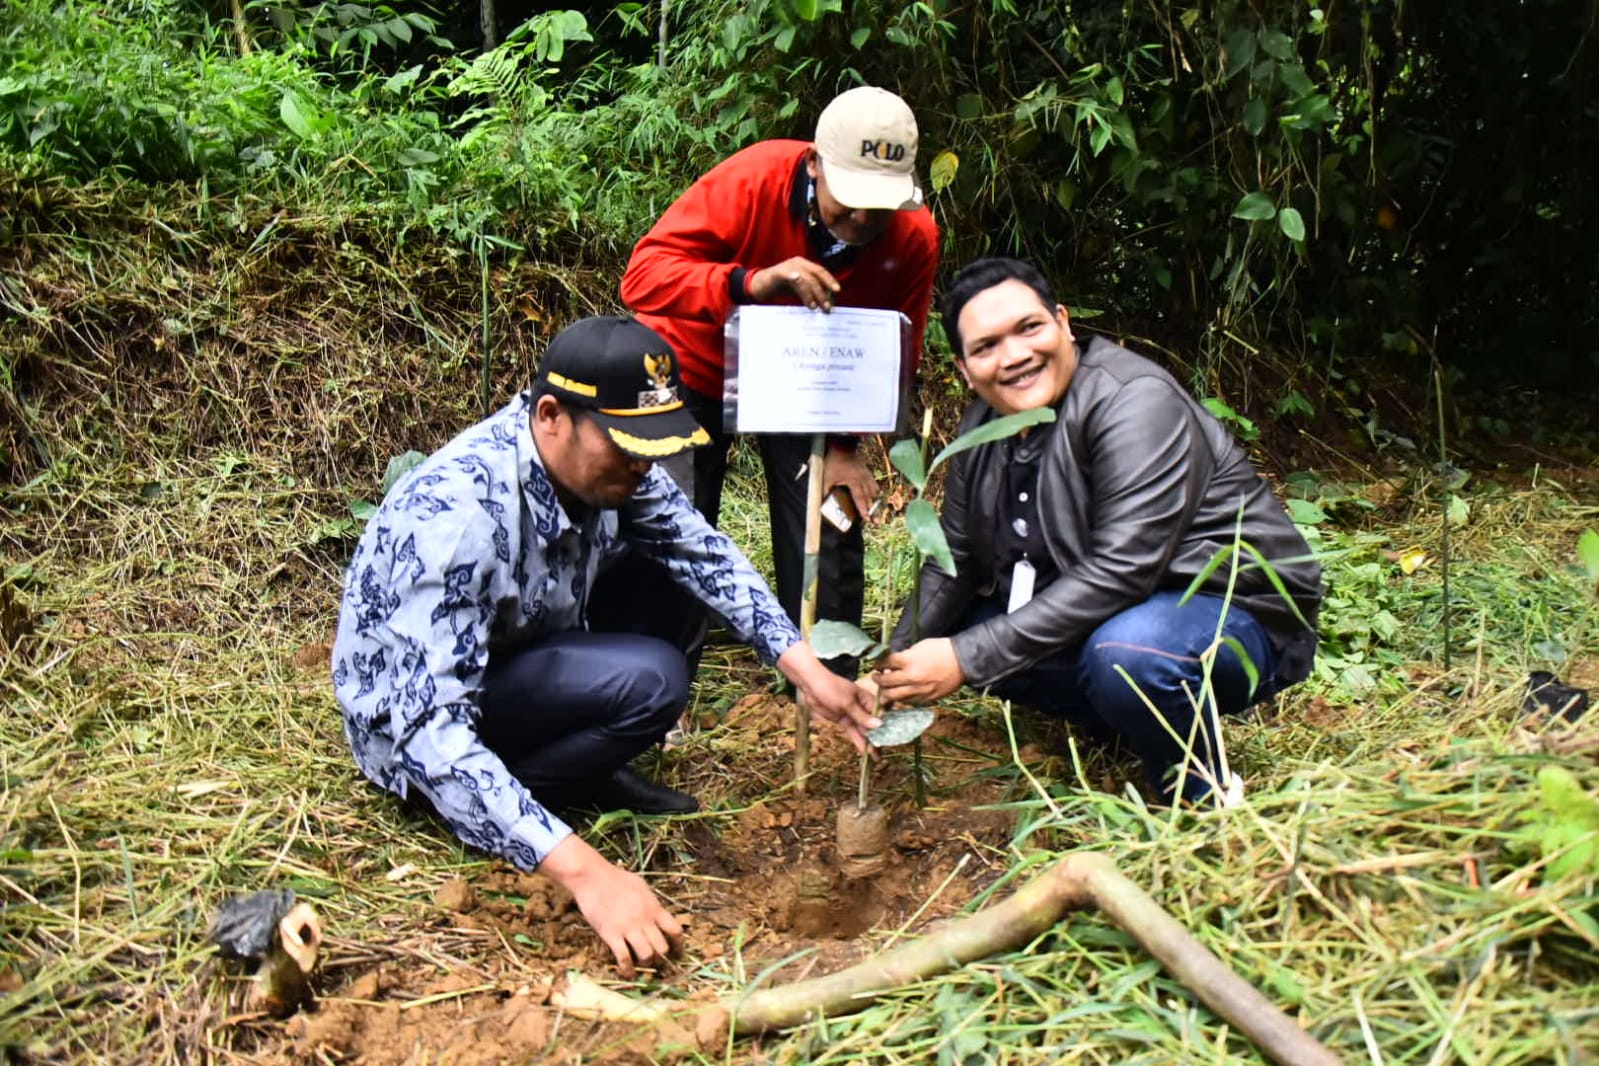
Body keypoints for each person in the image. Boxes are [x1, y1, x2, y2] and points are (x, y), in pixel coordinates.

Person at [332, 315, 880, 977]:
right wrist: (587, 874)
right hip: (416, 734)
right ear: (551, 416)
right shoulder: (456, 522)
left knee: (676, 569)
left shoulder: (611, 469)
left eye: (652, 445)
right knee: (650, 681)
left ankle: (571, 772)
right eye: (626, 445)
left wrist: (806, 669)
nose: (643, 463)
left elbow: (704, 554)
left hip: (525, 653)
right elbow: (428, 731)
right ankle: (505, 801)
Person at [873, 259, 1322, 802]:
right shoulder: (982, 427)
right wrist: (892, 668)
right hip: (1115, 614)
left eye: (1029, 328)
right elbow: (956, 562)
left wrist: (966, 657)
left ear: (1063, 323)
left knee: (1126, 657)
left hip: (1226, 610)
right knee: (965, 628)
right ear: (965, 370)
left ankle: (1201, 795)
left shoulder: (1133, 400)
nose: (1014, 356)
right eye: (987, 347)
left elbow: (1122, 569)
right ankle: (1129, 718)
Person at [620, 85, 940, 671]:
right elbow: (643, 276)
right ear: (814, 164)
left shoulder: (914, 237)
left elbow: (896, 347)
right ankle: (655, 681)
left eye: (880, 205)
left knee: (834, 513)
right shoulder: (755, 180)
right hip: (692, 361)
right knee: (671, 512)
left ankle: (828, 679)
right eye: (850, 200)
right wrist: (748, 283)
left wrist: (845, 446)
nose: (862, 219)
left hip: (808, 386)